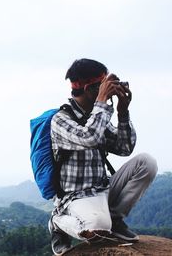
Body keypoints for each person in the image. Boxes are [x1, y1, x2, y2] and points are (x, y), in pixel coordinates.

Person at [49, 59, 158, 255]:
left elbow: (124, 148)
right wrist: (101, 103)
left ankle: (115, 219)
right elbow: (89, 137)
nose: (107, 90)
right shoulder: (61, 119)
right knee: (99, 227)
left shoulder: (96, 115)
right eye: (103, 85)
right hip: (76, 196)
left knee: (147, 162)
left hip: (103, 189)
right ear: (89, 87)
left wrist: (123, 112)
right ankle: (57, 221)